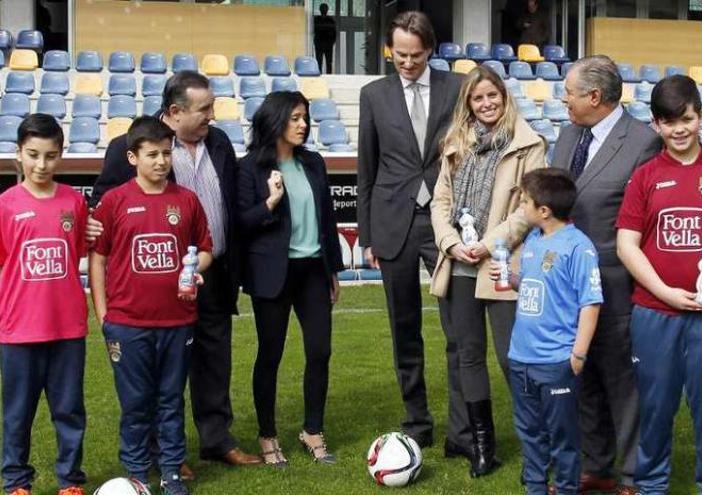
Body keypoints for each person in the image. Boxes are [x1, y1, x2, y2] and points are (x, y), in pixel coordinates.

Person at [89, 71, 260, 475]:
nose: (212, 116)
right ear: (174, 112)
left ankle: (217, 439)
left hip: (211, 272)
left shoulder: (217, 142)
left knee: (214, 362)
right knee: (159, 376)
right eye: (204, 110)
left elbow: (228, 204)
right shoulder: (128, 146)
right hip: (155, 284)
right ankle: (166, 453)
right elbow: (102, 209)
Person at [616, 74, 702, 495]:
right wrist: (665, 292)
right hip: (654, 313)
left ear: (701, 117)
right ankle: (652, 485)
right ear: (656, 124)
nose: (679, 129)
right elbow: (627, 245)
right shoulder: (644, 177)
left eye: (687, 119)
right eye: (668, 121)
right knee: (655, 409)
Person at [550, 55, 662, 495]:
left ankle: (635, 475)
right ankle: (595, 467)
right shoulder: (565, 136)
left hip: (615, 286)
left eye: (569, 93)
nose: (563, 101)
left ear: (594, 97)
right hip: (566, 286)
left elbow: (641, 224)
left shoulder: (641, 142)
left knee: (622, 382)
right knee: (583, 376)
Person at [357, 11, 467, 452]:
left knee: (459, 330)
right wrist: (367, 237)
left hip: (447, 223)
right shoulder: (373, 95)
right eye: (399, 55)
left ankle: (462, 430)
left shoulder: (457, 88)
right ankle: (417, 422)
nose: (406, 62)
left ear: (431, 50)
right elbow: (367, 169)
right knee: (405, 330)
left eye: (415, 55)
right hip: (393, 225)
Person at [430, 65, 546, 477]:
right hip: (460, 262)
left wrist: (489, 242)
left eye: (491, 96)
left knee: (512, 356)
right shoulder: (455, 143)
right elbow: (440, 202)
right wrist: (450, 242)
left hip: (501, 262)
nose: (486, 104)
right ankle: (482, 446)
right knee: (468, 356)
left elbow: (528, 209)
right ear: (469, 103)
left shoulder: (528, 143)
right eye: (478, 99)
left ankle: (538, 444)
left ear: (504, 96)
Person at [89, 116, 214, 495]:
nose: (161, 161)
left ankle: (172, 471)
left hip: (177, 321)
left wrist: (194, 271)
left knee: (171, 400)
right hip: (127, 324)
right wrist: (103, 313)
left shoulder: (186, 200)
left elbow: (205, 250)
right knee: (135, 403)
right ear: (132, 157)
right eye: (152, 154)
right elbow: (98, 258)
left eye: (166, 153)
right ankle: (137, 472)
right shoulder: (114, 201)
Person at [237, 91, 344, 467]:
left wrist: (333, 268)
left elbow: (327, 220)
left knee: (320, 352)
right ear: (276, 120)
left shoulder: (313, 163)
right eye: (295, 117)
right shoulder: (250, 167)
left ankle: (312, 430)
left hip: (313, 270)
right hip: (272, 276)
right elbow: (241, 223)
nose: (303, 124)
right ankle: (267, 436)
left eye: (306, 117)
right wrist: (269, 203)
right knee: (271, 355)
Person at [491, 167, 603, 495]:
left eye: (524, 201)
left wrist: (578, 355)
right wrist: (512, 280)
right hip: (521, 357)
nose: (519, 208)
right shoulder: (534, 240)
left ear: (544, 210)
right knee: (529, 432)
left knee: (563, 437)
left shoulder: (578, 247)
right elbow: (536, 285)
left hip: (556, 362)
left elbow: (590, 303)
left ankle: (566, 489)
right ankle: (536, 488)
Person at [0, 114, 88, 495]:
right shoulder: (4, 205)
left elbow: (81, 250)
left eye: (50, 156)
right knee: (18, 413)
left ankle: (70, 480)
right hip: (19, 330)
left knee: (69, 410)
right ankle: (17, 480)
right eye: (33, 155)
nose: (41, 165)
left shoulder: (74, 201)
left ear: (61, 155)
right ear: (18, 154)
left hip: (68, 327)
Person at [313, 3, 336, 74]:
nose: (324, 10)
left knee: (328, 62)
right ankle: (319, 75)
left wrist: (332, 42)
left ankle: (329, 76)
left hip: (327, 44)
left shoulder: (330, 20)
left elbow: (334, 32)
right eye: (323, 8)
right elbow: (315, 30)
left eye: (325, 8)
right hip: (320, 43)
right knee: (319, 62)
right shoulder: (317, 19)